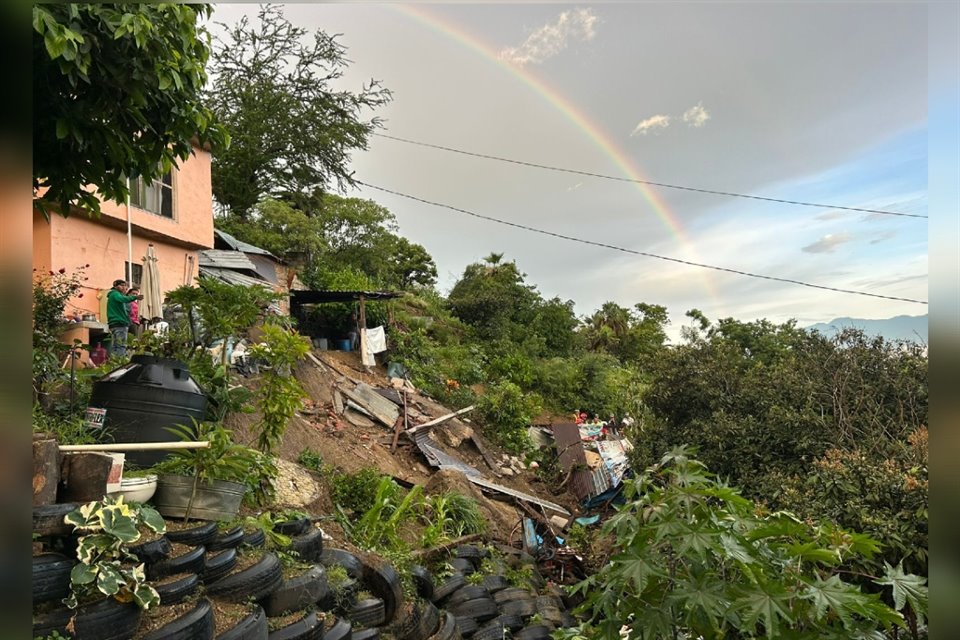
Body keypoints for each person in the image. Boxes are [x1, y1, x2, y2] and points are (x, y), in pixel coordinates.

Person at [106, 279, 142, 356]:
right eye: (121, 285)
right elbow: (123, 299)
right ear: (115, 286)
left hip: (114, 323)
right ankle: (120, 363)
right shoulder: (115, 294)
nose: (124, 287)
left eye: (125, 286)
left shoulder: (113, 295)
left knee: (115, 345)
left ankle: (114, 363)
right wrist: (135, 297)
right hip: (119, 323)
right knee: (121, 345)